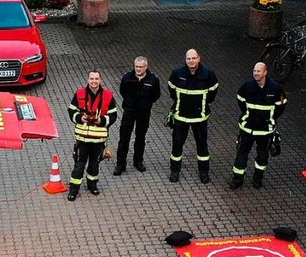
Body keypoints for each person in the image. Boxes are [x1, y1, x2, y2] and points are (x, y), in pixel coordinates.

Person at [229, 62, 287, 189]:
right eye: (254, 71)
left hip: (265, 131)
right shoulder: (247, 86)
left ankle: (257, 179)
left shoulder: (276, 88)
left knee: (262, 157)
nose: (256, 73)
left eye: (258, 71)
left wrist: (270, 118)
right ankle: (237, 179)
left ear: (265, 72)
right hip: (247, 129)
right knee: (241, 154)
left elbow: (281, 106)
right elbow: (240, 101)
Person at [167, 48, 219, 183]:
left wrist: (202, 104)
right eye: (189, 58)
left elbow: (213, 92)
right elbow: (171, 90)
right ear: (185, 59)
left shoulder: (208, 75)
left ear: (199, 58)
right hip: (181, 117)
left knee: (202, 146)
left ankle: (204, 172)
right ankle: (174, 171)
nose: (191, 61)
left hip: (199, 118)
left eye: (193, 58)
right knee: (177, 145)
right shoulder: (177, 74)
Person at [67, 70, 118, 201]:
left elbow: (113, 116)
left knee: (94, 165)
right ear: (88, 79)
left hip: (99, 139)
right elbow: (71, 110)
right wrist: (79, 118)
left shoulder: (108, 96)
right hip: (82, 139)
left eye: (96, 79)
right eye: (91, 78)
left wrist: (101, 121)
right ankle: (73, 190)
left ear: (100, 80)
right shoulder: (79, 94)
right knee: (79, 165)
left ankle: (92, 186)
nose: (94, 81)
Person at [113, 56, 161, 176]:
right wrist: (130, 103)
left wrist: (146, 104)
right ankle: (120, 164)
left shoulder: (153, 80)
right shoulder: (127, 77)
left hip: (144, 113)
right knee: (124, 138)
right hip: (129, 111)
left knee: (141, 137)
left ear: (146, 67)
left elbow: (156, 95)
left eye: (141, 67)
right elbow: (122, 91)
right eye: (136, 67)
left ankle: (138, 161)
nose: (138, 69)